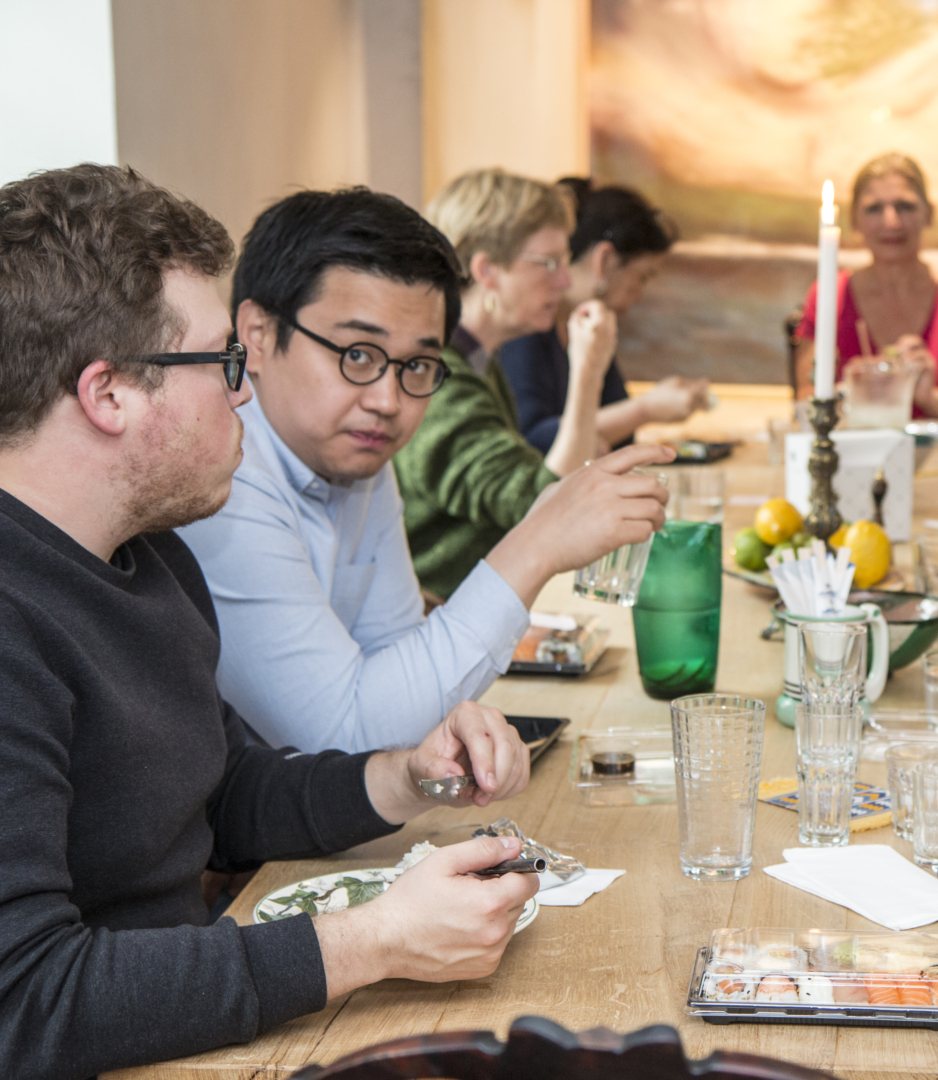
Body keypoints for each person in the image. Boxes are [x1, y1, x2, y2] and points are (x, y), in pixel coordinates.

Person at [0, 165, 542, 1080]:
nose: (243, 391)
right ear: (110, 395)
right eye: (221, 363)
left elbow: (222, 799)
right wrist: (369, 943)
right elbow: (25, 1000)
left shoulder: (152, 556)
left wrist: (403, 777)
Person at [177, 188, 672, 753]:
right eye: (357, 354)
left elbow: (397, 666)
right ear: (258, 337)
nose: (388, 400)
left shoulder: (355, 455)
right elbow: (341, 737)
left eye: (417, 365)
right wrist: (534, 547)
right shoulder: (223, 481)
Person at [396, 169, 637, 599]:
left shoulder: (477, 361)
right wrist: (586, 371)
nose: (564, 281)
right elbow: (544, 509)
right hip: (433, 624)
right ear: (488, 270)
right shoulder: (436, 378)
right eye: (549, 264)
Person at [500, 179, 710, 453]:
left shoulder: (593, 330)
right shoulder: (528, 329)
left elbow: (619, 439)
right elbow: (532, 442)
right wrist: (645, 409)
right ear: (605, 260)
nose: (640, 295)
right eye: (642, 277)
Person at [793, 152, 938, 430]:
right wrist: (861, 389)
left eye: (905, 206)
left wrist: (928, 396)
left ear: (930, 214)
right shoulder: (830, 295)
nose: (891, 222)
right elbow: (805, 403)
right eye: (874, 209)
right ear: (854, 220)